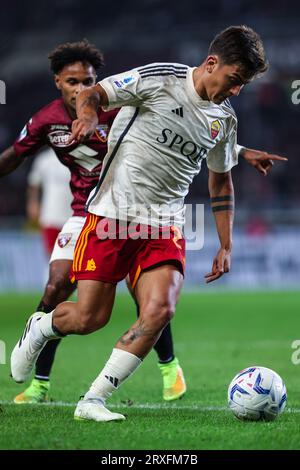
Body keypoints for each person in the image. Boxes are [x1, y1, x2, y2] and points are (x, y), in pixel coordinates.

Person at [10, 27, 287, 422]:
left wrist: (226, 245)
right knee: (91, 318)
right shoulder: (161, 78)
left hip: (164, 224)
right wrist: (88, 115)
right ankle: (40, 327)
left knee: (159, 310)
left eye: (242, 85)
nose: (236, 91)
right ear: (212, 64)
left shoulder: (224, 120)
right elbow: (94, 93)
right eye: (234, 80)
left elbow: (220, 179)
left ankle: (93, 400)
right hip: (111, 215)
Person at [0, 40, 187, 404]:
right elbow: (13, 156)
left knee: (148, 297)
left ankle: (169, 367)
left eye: (88, 81)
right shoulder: (45, 120)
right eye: (73, 81)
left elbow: (176, 132)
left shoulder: (118, 111)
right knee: (56, 289)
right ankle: (39, 382)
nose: (82, 89)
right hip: (82, 214)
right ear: (58, 82)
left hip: (131, 213)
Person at [26, 147, 72, 257]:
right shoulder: (44, 160)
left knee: (72, 258)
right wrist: (33, 203)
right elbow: (34, 184)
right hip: (51, 217)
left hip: (73, 217)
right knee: (52, 257)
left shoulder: (77, 157)